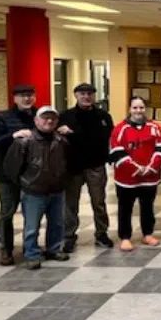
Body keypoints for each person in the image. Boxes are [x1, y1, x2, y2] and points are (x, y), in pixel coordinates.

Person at [3, 106, 70, 269]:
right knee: (32, 226)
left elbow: (67, 163)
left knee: (57, 223)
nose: (49, 121)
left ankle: (54, 249)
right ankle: (31, 253)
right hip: (33, 191)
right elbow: (11, 167)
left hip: (56, 190)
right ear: (36, 120)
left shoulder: (62, 141)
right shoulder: (24, 141)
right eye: (45, 118)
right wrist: (25, 183)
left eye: (52, 118)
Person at [56, 83, 114, 252]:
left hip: (96, 165)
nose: (86, 96)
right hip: (73, 167)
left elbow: (104, 137)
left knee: (99, 202)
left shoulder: (103, 116)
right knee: (70, 204)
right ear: (76, 95)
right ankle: (69, 236)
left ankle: (101, 233)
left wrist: (74, 133)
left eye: (89, 93)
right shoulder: (65, 116)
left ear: (94, 96)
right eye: (82, 93)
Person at [0, 84, 37, 265]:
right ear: (14, 98)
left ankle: (30, 248)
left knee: (32, 214)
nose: (27, 99)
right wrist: (13, 135)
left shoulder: (40, 116)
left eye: (30, 95)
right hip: (8, 175)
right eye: (23, 95)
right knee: (7, 214)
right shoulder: (1, 118)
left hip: (33, 175)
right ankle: (6, 250)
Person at [108, 96, 161, 251]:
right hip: (126, 179)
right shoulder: (120, 129)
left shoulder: (155, 127)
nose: (138, 111)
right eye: (135, 107)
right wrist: (135, 168)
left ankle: (147, 234)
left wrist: (151, 167)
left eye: (141, 107)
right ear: (129, 109)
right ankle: (125, 237)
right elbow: (116, 152)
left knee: (147, 207)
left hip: (149, 177)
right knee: (125, 208)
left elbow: (160, 149)